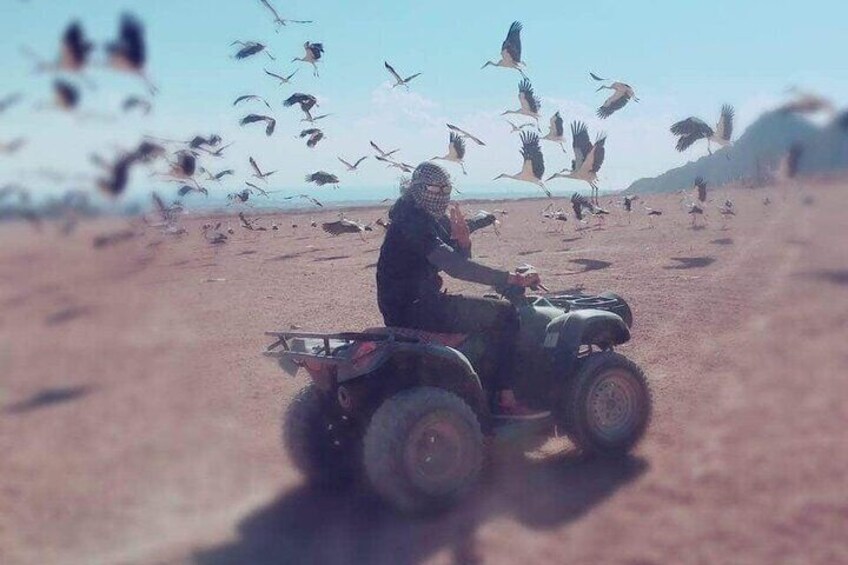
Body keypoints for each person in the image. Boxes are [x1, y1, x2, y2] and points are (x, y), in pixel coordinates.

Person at [376, 162, 549, 419]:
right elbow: (456, 267)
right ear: (418, 189)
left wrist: (464, 240)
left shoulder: (423, 216)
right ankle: (506, 398)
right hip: (414, 309)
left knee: (485, 308)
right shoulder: (412, 223)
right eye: (435, 188)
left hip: (412, 304)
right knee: (504, 314)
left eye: (446, 188)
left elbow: (456, 259)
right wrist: (511, 279)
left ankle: (483, 382)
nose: (442, 194)